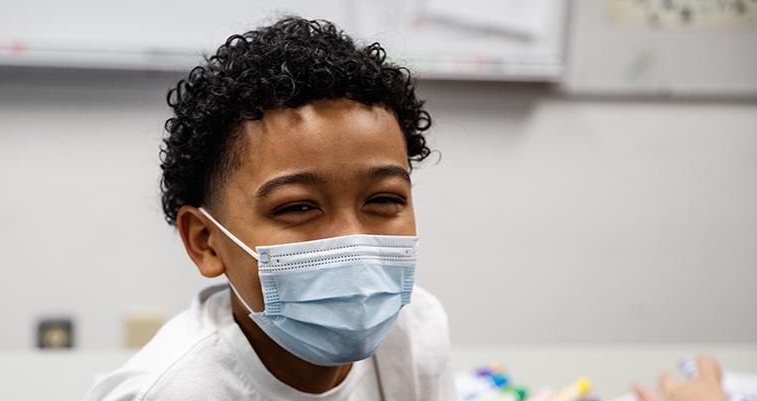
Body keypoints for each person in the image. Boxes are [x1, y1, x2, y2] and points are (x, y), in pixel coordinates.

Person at [84, 15, 733, 401]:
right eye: (299, 207)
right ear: (205, 241)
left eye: (383, 200)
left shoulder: (412, 334)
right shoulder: (173, 392)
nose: (354, 239)